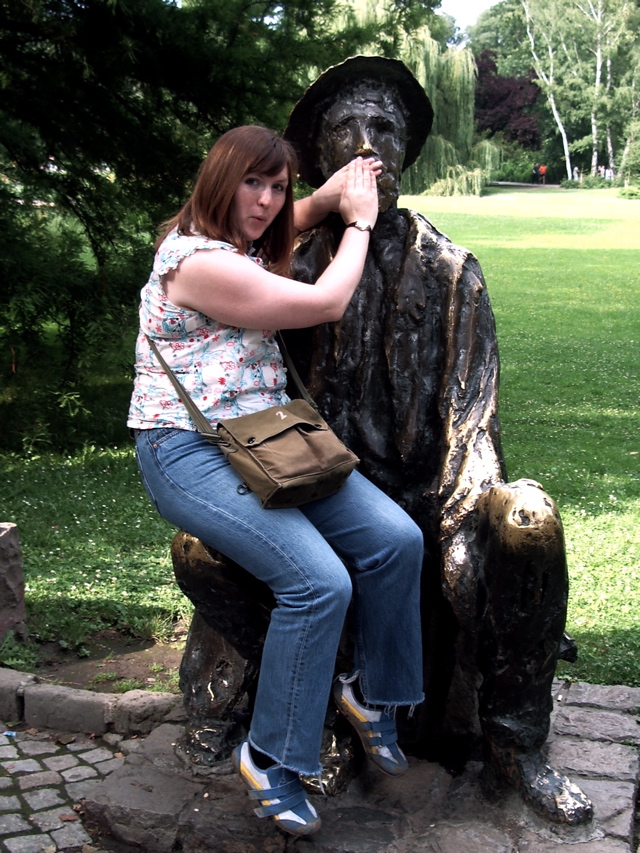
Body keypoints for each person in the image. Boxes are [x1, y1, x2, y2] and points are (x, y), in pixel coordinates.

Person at [282, 55, 593, 827]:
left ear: (405, 153)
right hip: (318, 493)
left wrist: (461, 530)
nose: (366, 146)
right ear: (321, 156)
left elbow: (473, 422)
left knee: (526, 519)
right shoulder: (287, 271)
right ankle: (306, 725)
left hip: (432, 491)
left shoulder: (453, 273)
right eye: (346, 131)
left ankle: (516, 744)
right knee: (216, 547)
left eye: (382, 129)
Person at [127, 124, 424, 838]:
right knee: (318, 582)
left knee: (397, 540)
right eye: (251, 183)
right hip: (188, 451)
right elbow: (324, 302)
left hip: (271, 440)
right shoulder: (197, 261)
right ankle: (271, 757)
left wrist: (336, 187)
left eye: (276, 185)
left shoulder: (238, 234)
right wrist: (360, 222)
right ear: (217, 180)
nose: (264, 202)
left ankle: (371, 694)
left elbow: (298, 211)